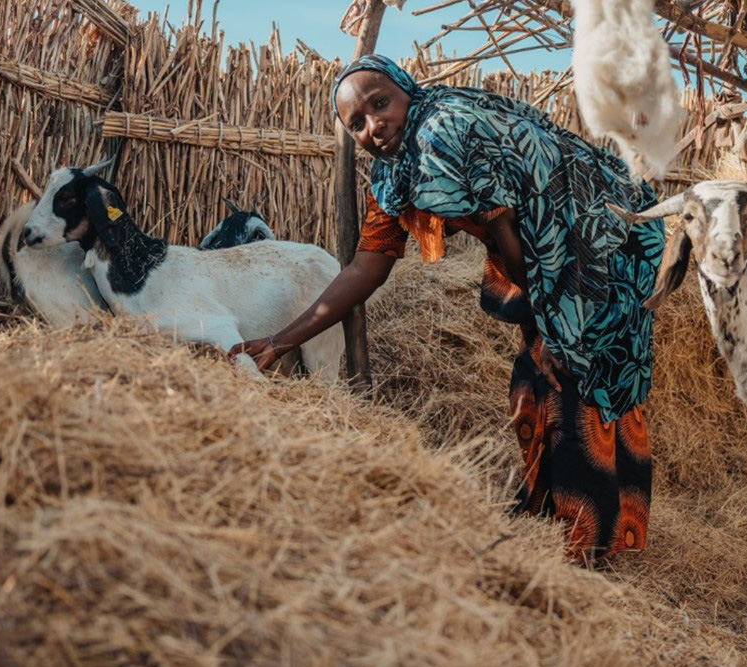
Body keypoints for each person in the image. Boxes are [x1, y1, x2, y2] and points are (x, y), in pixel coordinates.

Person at [231, 55, 664, 564]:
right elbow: (366, 267)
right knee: (543, 384)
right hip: (558, 253)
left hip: (602, 236)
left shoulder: (442, 134)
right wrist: (280, 340)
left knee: (567, 384)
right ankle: (582, 531)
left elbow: (520, 260)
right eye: (357, 123)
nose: (374, 125)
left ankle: (586, 551)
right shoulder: (397, 174)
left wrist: (502, 231)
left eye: (380, 103)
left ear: (405, 91)